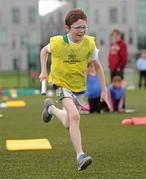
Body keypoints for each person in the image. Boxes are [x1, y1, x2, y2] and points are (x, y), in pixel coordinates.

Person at [39, 8, 110, 171]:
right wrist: (44, 71)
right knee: (75, 116)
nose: (82, 31)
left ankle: (51, 109)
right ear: (67, 28)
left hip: (79, 86)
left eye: (84, 27)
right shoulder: (57, 42)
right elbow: (44, 51)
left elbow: (98, 67)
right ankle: (80, 156)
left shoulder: (89, 43)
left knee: (68, 122)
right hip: (61, 84)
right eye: (78, 27)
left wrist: (104, 90)